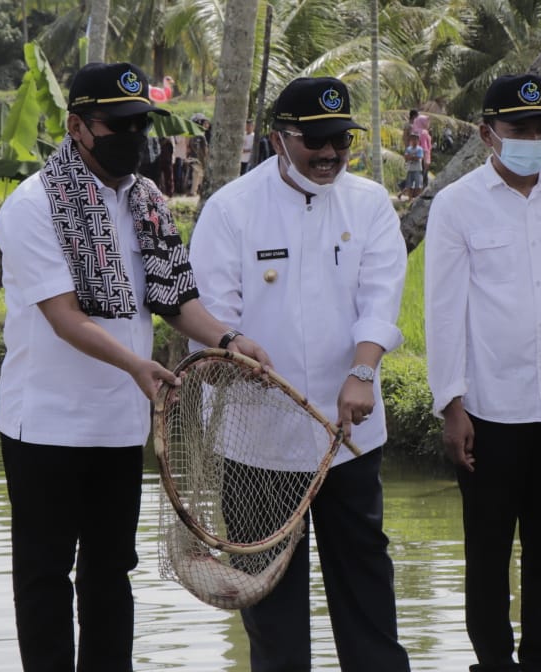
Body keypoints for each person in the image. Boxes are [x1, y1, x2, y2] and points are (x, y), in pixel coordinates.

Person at [0, 61, 272, 672]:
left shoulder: (145, 199)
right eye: (116, 125)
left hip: (118, 425)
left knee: (111, 570)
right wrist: (137, 366)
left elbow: (175, 298)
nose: (133, 136)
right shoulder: (35, 205)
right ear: (76, 127)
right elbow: (65, 316)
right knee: (43, 574)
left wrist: (229, 338)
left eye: (141, 123)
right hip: (45, 424)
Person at [188, 76, 411, 672]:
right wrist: (232, 355)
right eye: (315, 141)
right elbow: (209, 316)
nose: (331, 153)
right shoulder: (231, 210)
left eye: (341, 139)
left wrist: (364, 369)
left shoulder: (368, 203)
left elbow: (381, 296)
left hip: (348, 435)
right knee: (273, 614)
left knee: (367, 589)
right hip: (257, 443)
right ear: (277, 139)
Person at [424, 73, 541, 672]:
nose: (535, 139)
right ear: (488, 134)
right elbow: (443, 312)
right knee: (486, 551)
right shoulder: (457, 205)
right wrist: (451, 407)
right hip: (489, 411)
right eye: (520, 129)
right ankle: (492, 663)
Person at [400, 131, 425, 200]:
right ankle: (410, 199)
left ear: (418, 140)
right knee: (409, 185)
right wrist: (412, 157)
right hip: (410, 169)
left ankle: (418, 199)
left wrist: (410, 157)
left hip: (417, 169)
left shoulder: (420, 149)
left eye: (416, 139)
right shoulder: (409, 148)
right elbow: (406, 157)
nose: (414, 140)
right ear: (411, 140)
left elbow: (418, 158)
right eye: (413, 139)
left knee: (418, 185)